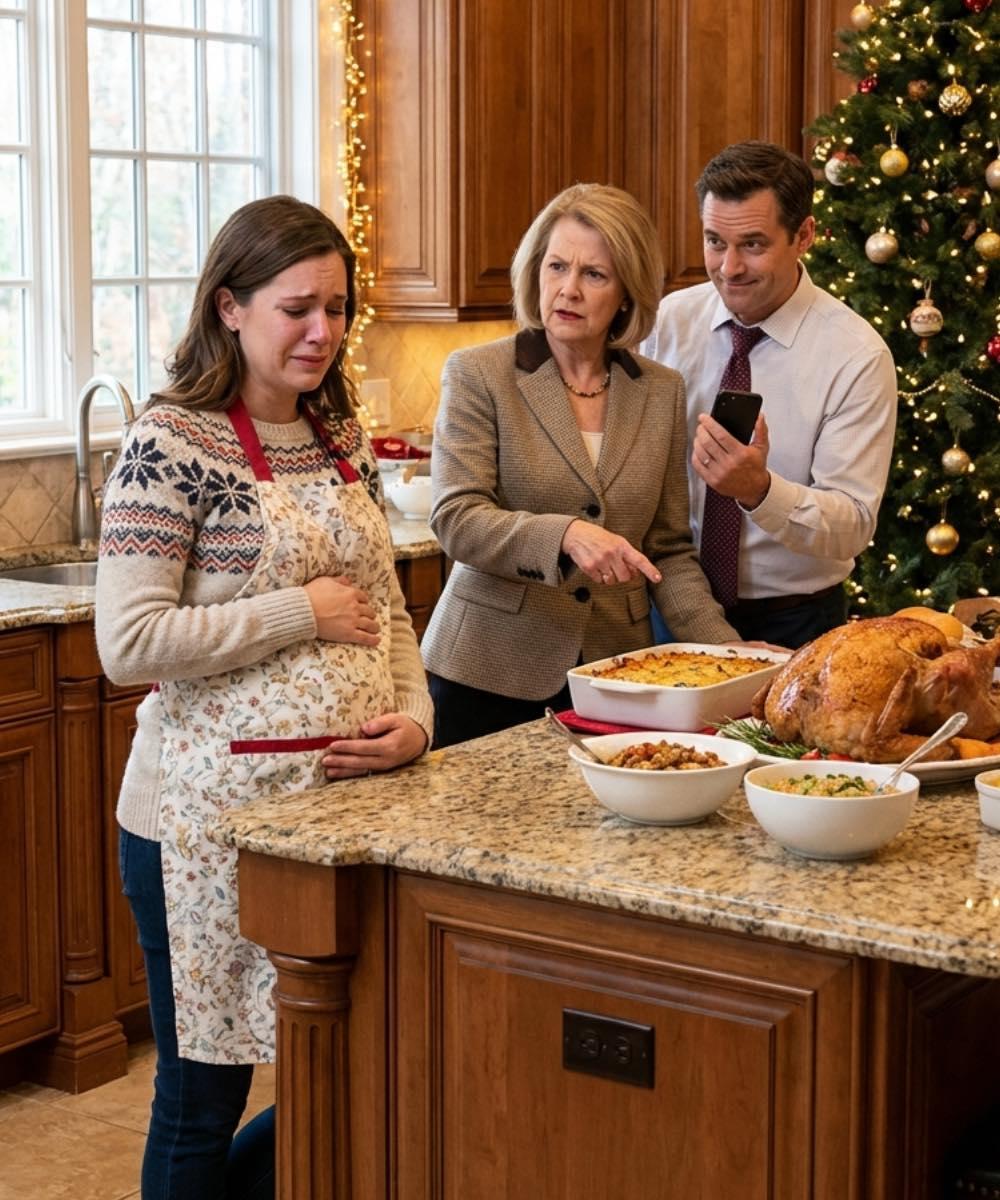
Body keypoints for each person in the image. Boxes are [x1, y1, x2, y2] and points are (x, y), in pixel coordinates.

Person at [95, 195, 433, 1199]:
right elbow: (128, 643)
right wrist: (297, 611)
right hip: (203, 826)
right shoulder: (171, 444)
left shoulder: (338, 435)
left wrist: (415, 723)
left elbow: (389, 614)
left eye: (336, 307)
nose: (322, 332)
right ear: (230, 306)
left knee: (354, 1057)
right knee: (205, 1096)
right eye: (297, 308)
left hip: (337, 814)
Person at [420, 182, 741, 748]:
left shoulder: (660, 390)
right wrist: (566, 534)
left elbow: (666, 549)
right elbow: (456, 518)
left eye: (594, 274)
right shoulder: (479, 373)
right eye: (557, 266)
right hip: (485, 672)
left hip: (614, 676)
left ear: (626, 293)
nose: (567, 289)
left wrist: (727, 653)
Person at [640, 140, 897, 649]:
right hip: (671, 606)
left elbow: (853, 526)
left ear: (804, 236)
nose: (729, 268)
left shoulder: (856, 355)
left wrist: (759, 490)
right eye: (715, 241)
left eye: (753, 245)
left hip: (797, 622)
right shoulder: (669, 321)